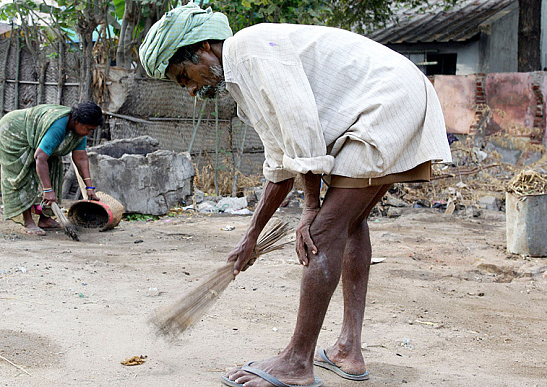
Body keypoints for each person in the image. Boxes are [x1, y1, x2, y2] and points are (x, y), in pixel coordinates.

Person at [140, 3, 452, 386]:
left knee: (320, 233)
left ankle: (296, 362)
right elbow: (280, 163)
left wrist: (311, 206)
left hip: (386, 102)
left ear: (204, 47)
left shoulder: (253, 48)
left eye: (185, 76)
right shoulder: (243, 81)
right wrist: (250, 236)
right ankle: (347, 351)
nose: (190, 91)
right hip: (395, 97)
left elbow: (302, 127)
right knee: (350, 225)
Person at [0, 102, 104, 236]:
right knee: (24, 173)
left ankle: (45, 219)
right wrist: (47, 190)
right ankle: (28, 221)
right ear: (76, 121)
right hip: (14, 131)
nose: (88, 133)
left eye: (91, 130)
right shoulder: (58, 126)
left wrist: (90, 188)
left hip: (36, 138)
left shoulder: (79, 131)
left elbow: (81, 157)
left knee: (53, 169)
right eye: (88, 129)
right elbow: (40, 158)